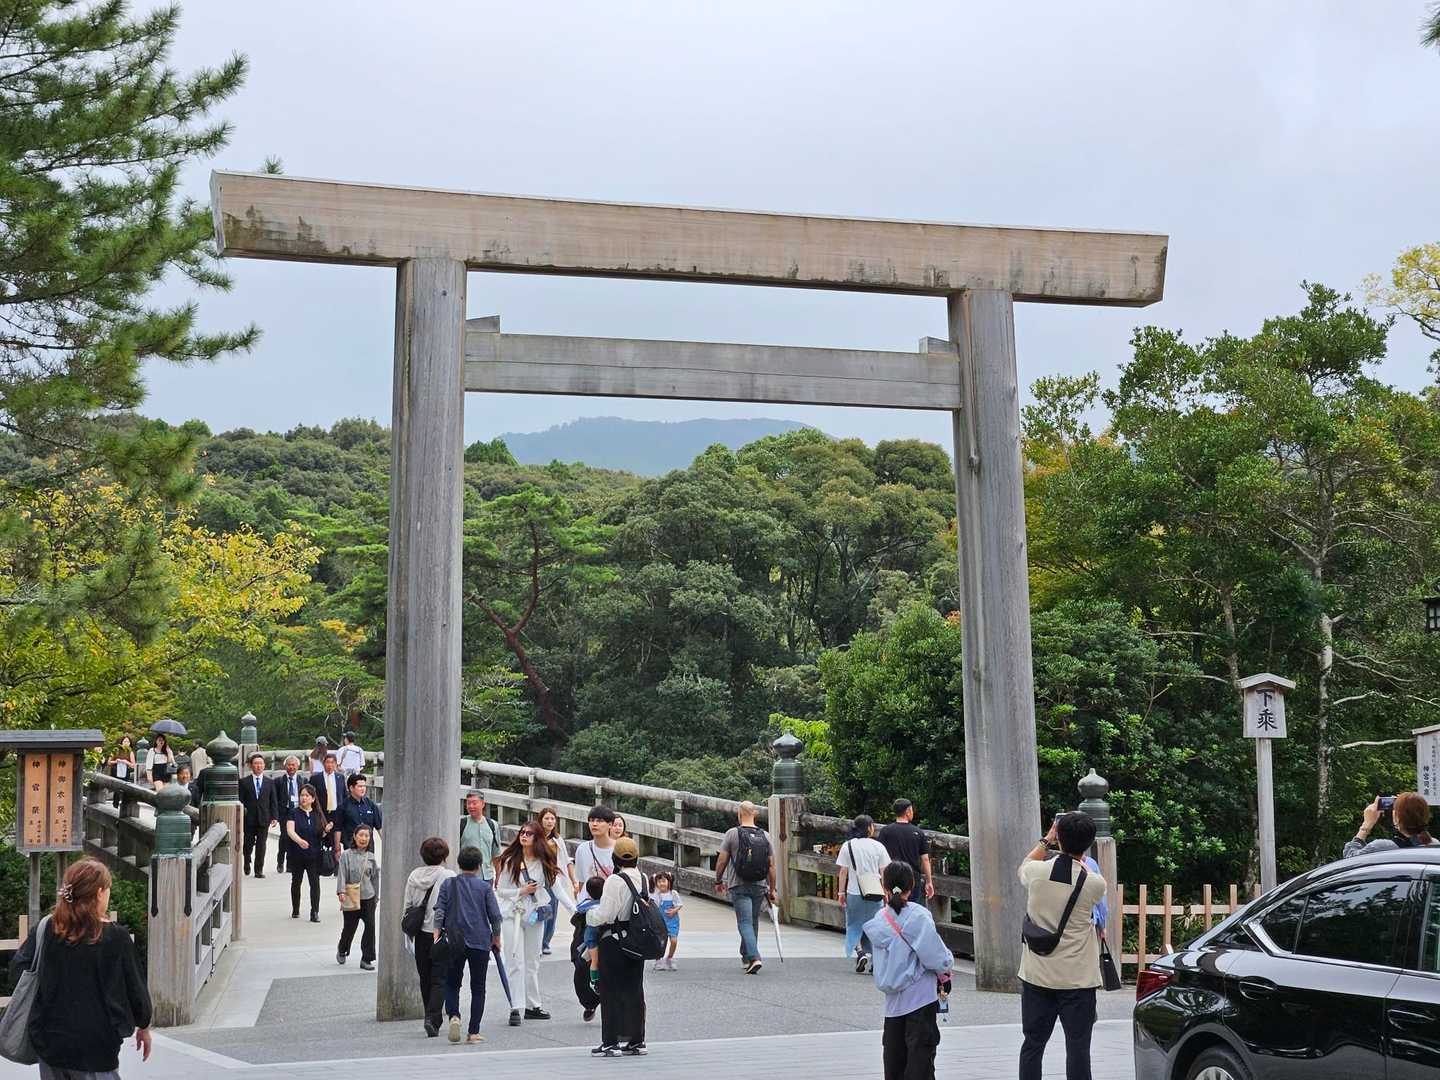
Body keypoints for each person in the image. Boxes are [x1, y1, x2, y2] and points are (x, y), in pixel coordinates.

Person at [8, 859, 153, 1078]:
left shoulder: (47, 929)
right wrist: (143, 1026)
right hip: (97, 1046)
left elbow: (18, 970)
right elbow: (136, 991)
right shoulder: (116, 937)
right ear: (99, 893)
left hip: (51, 1042)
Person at [1018, 812, 1108, 1080]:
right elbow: (1085, 875)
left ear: (1058, 837)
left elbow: (1025, 863)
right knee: (1078, 1047)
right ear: (1089, 843)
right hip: (1077, 979)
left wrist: (1047, 840)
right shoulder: (1094, 883)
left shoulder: (1036, 873)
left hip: (1037, 974)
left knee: (1033, 1044)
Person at [864, 862, 952, 1080]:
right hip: (920, 998)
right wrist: (946, 967)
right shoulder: (918, 915)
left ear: (884, 887)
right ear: (912, 886)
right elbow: (936, 957)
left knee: (894, 1063)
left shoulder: (879, 920)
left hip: (892, 1003)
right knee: (920, 1063)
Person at [495, 818, 575, 1026]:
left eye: (529, 833)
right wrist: (521, 891)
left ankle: (533, 1005)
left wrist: (574, 911)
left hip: (535, 915)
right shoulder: (510, 860)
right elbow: (501, 890)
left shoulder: (544, 862)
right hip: (513, 913)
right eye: (522, 832)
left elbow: (557, 889)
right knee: (514, 959)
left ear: (537, 838)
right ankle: (515, 1006)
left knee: (532, 961)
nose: (524, 836)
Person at [586, 836, 648, 1056]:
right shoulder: (643, 878)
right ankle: (636, 1041)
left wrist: (589, 914)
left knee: (610, 991)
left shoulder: (614, 880)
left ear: (615, 858)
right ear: (636, 857)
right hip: (637, 941)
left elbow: (606, 914)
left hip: (614, 940)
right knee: (634, 990)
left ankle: (610, 1042)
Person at [433, 845, 502, 1044]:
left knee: (452, 983)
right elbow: (495, 917)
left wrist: (437, 934)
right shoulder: (484, 887)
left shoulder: (448, 884)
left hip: (454, 941)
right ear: (479, 866)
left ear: (459, 864)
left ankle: (454, 1015)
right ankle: (473, 1032)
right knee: (478, 987)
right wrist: (496, 939)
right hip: (480, 941)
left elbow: (440, 911)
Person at [713, 800, 775, 975]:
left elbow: (722, 860)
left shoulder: (732, 833)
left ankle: (754, 957)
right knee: (752, 921)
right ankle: (746, 957)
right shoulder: (766, 836)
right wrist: (772, 889)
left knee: (745, 922)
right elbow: (771, 866)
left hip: (738, 884)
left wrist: (718, 880)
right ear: (755, 814)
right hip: (759, 885)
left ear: (739, 815)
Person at [405, 837, 456, 1037]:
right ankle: (433, 1019)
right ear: (444, 856)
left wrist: (408, 934)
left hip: (420, 934)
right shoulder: (448, 875)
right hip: (440, 933)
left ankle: (429, 1015)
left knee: (425, 977)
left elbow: (408, 905)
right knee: (439, 979)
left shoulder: (414, 875)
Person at [837, 813, 891, 973]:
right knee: (876, 926)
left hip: (854, 892)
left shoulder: (847, 846)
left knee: (854, 925)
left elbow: (843, 871)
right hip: (875, 892)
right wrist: (886, 892)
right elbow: (884, 871)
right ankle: (876, 961)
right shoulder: (878, 846)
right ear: (869, 828)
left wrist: (841, 893)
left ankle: (860, 952)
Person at [336, 823, 379, 969]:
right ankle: (342, 948)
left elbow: (375, 879)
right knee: (349, 927)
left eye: (367, 836)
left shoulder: (371, 857)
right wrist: (341, 891)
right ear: (355, 836)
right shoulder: (346, 855)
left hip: (368, 897)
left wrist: (376, 896)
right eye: (361, 835)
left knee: (370, 927)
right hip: (351, 897)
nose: (364, 838)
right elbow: (342, 874)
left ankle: (367, 959)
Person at [1344, 792, 1438, 856]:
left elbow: (1350, 859)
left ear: (1397, 818)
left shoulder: (1382, 847)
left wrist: (1366, 824)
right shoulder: (1433, 844)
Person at [878, 800, 935, 903]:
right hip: (912, 877)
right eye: (912, 810)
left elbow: (880, 856)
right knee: (911, 907)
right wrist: (929, 881)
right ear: (908, 812)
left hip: (892, 876)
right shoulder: (918, 832)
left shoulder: (885, 831)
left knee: (893, 906)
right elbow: (925, 859)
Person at [286, 783, 328, 922]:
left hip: (314, 854)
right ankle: (295, 909)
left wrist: (326, 830)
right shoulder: (293, 812)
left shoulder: (318, 814)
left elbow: (321, 834)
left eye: (307, 795)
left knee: (315, 884)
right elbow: (290, 830)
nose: (304, 798)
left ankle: (314, 912)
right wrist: (299, 841)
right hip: (297, 854)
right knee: (296, 882)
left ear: (313, 799)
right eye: (302, 795)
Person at [538, 806, 575, 955]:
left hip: (553, 879)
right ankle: (537, 942)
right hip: (538, 880)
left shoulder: (558, 840)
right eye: (546, 818)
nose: (550, 821)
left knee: (552, 911)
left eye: (552, 818)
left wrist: (573, 880)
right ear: (540, 820)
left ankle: (545, 942)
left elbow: (566, 860)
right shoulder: (535, 837)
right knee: (539, 910)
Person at [571, 875, 605, 1021]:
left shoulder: (584, 907)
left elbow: (574, 919)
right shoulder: (609, 905)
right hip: (606, 943)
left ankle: (590, 1004)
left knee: (583, 973)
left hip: (585, 946)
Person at [239, 752, 278, 878]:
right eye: (256, 763)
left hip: (264, 817)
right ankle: (247, 860)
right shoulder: (244, 782)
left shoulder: (269, 782)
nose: (258, 766)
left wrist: (274, 817)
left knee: (261, 845)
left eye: (260, 763)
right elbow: (240, 801)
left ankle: (258, 869)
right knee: (248, 843)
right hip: (248, 818)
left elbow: (273, 801)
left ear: (264, 765)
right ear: (251, 766)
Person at [457, 790, 501, 881]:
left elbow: (496, 854)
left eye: (474, 803)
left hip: (487, 877)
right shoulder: (461, 824)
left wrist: (498, 875)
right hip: (466, 877)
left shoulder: (492, 825)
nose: (471, 806)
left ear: (483, 804)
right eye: (468, 803)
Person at [333, 772, 382, 853]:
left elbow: (379, 827)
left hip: (368, 850)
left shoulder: (371, 804)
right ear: (351, 788)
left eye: (364, 786)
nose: (363, 789)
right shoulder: (343, 807)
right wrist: (337, 848)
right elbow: (338, 829)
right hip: (351, 849)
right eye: (360, 786)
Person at [273, 755, 305, 874]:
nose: (291, 767)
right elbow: (274, 799)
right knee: (285, 837)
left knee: (295, 838)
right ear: (285, 766)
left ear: (298, 766)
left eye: (293, 765)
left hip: (298, 811)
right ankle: (280, 862)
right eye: (289, 765)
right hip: (285, 812)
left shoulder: (303, 780)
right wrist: (275, 816)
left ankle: (290, 864)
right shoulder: (278, 781)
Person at [573, 805, 617, 889]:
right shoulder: (582, 849)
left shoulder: (619, 849)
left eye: (599, 821)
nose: (594, 824)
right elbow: (582, 881)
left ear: (610, 824)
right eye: (591, 820)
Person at [650, 869, 683, 971]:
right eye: (659, 881)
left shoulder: (673, 893)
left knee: (674, 941)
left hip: (672, 921)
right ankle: (658, 960)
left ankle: (670, 957)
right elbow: (653, 906)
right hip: (660, 922)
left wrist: (674, 910)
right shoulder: (657, 895)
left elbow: (679, 904)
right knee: (661, 942)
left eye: (664, 881)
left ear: (669, 882)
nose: (662, 883)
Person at [310, 751, 345, 842]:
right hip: (321, 813)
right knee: (320, 839)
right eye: (327, 762)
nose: (330, 765)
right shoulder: (316, 778)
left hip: (336, 813)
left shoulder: (340, 778)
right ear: (323, 763)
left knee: (336, 841)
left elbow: (344, 795)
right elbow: (311, 795)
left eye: (332, 762)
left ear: (336, 764)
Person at [107, 736, 137, 806]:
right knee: (116, 790)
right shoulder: (116, 750)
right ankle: (115, 805)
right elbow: (109, 762)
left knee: (124, 789)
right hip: (115, 772)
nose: (126, 743)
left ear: (130, 743)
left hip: (125, 773)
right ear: (121, 742)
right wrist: (116, 761)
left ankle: (124, 805)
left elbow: (133, 765)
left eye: (128, 742)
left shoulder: (130, 752)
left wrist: (126, 762)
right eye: (125, 741)